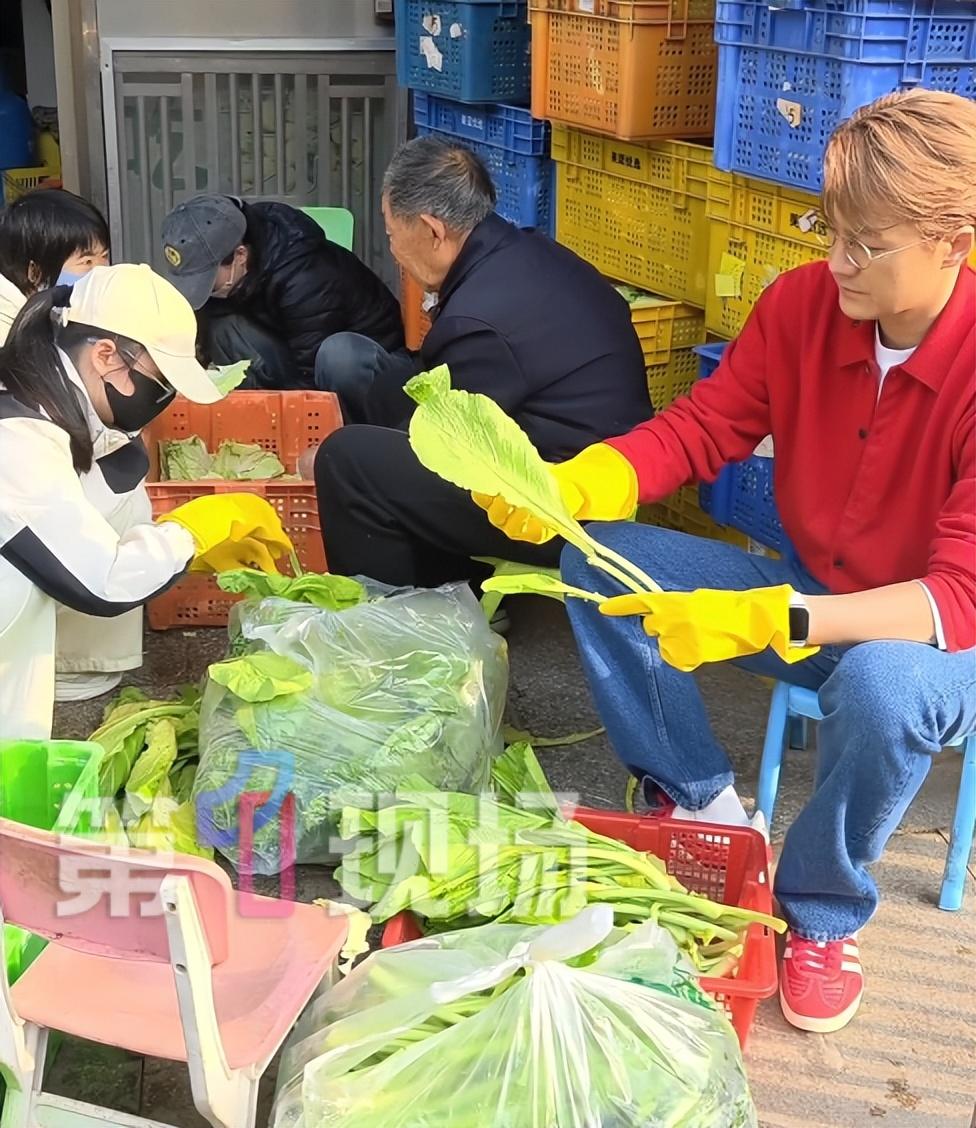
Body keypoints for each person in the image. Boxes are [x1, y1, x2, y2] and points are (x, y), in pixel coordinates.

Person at [473, 90, 976, 1034]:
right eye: (831, 231)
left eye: (868, 245)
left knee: (887, 687)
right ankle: (704, 799)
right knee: (601, 562)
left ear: (952, 242)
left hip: (931, 641)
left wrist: (774, 617)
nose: (838, 262)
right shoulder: (803, 307)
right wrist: (582, 483)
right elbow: (705, 428)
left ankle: (822, 912)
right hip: (811, 590)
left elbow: (957, 596)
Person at [314, 137, 652, 588]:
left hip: (564, 506)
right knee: (355, 365)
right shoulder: (522, 252)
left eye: (392, 234)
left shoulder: (478, 322)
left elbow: (447, 443)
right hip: (580, 458)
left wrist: (343, 457)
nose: (392, 249)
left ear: (433, 231)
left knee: (345, 460)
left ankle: (409, 613)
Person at [0, 263, 292, 740]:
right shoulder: (17, 437)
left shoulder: (50, 395)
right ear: (106, 355)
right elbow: (103, 582)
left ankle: (62, 670)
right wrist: (192, 534)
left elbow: (99, 507)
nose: (167, 395)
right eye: (162, 378)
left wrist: (179, 552)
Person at [160, 194, 404, 390]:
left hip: (366, 368)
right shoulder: (243, 245)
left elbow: (310, 374)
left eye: (209, 281)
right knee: (221, 326)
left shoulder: (305, 277)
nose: (205, 290)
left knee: (337, 357)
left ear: (240, 255)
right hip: (293, 343)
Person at [0, 187, 110, 344]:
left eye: (104, 256)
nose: (103, 271)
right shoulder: (6, 335)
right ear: (35, 273)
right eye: (87, 262)